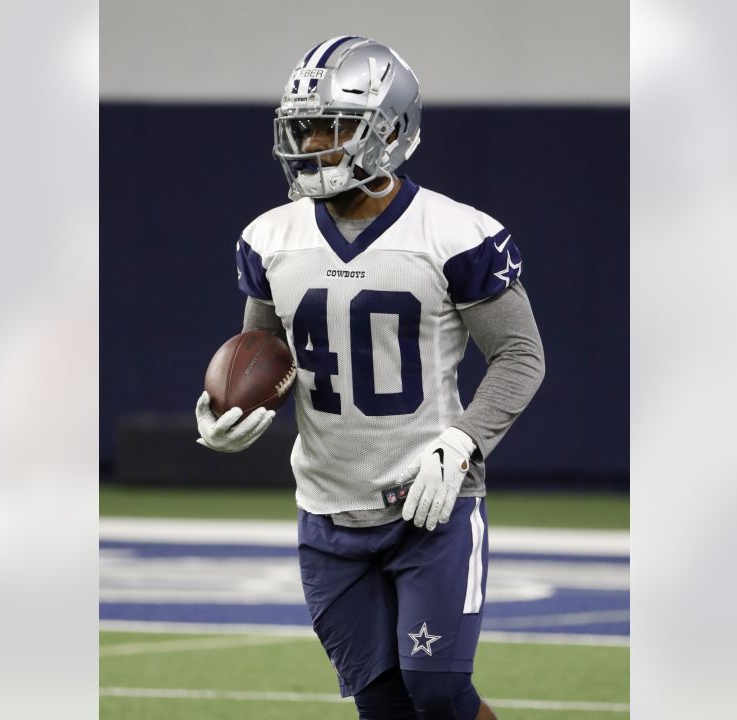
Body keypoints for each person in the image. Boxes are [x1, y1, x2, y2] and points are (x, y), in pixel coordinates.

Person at [194, 36, 544, 720]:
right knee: (382, 706)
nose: (314, 142)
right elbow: (264, 350)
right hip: (327, 508)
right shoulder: (269, 238)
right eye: (304, 126)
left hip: (432, 503)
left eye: (334, 125)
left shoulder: (455, 233)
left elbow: (521, 355)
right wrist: (226, 407)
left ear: (389, 130)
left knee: (438, 693)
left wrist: (464, 442)